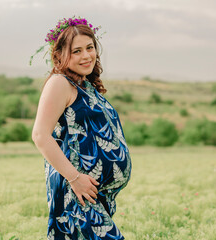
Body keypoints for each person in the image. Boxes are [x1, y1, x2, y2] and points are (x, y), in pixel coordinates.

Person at [31, 17, 132, 240]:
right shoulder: (60, 83)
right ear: (60, 55)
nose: (86, 56)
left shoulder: (84, 84)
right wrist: (75, 178)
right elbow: (40, 135)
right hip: (75, 190)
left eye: (90, 48)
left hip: (90, 193)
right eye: (76, 51)